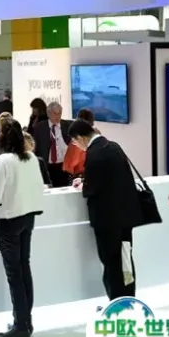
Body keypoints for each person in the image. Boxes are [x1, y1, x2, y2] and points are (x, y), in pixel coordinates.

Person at [68, 119, 143, 301]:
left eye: (75, 142)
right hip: (125, 216)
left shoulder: (94, 154)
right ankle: (128, 300)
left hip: (107, 221)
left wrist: (83, 185)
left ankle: (116, 304)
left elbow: (92, 189)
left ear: (81, 138)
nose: (77, 146)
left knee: (111, 264)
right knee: (125, 260)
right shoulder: (113, 146)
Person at [0, 119, 45, 337]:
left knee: (14, 274)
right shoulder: (31, 158)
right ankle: (26, 321)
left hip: (8, 220)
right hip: (28, 217)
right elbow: (39, 187)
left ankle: (21, 324)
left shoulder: (2, 161)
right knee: (24, 267)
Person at [32, 101, 72, 188]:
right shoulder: (40, 127)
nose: (57, 116)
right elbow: (35, 147)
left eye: (59, 113)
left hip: (63, 166)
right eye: (55, 113)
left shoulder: (67, 126)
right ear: (48, 114)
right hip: (47, 166)